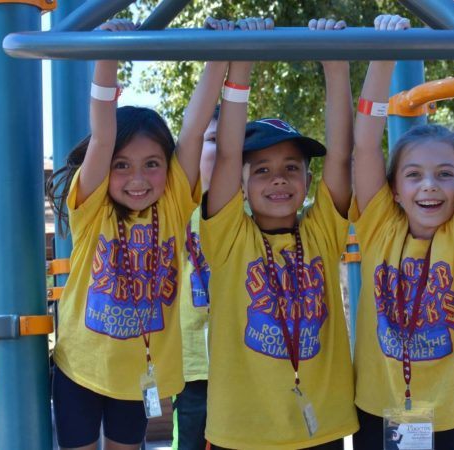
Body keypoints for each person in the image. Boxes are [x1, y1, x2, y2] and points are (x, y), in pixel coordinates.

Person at [46, 18, 230, 450]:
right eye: (122, 165)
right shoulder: (91, 209)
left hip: (139, 375)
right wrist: (108, 56)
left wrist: (219, 52)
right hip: (80, 370)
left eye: (152, 163)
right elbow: (105, 132)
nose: (138, 178)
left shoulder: (172, 205)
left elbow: (194, 125)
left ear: (168, 169)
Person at [200, 16, 358, 450]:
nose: (279, 180)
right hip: (243, 431)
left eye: (292, 169)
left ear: (307, 182)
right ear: (244, 186)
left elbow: (341, 157)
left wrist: (335, 65)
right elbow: (229, 152)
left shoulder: (321, 232)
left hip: (319, 426)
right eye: (263, 171)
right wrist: (243, 63)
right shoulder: (230, 236)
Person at [350, 14, 454, 450]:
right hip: (379, 410)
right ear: (395, 189)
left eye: (444, 174)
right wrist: (382, 59)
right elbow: (365, 145)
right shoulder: (379, 225)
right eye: (414, 175)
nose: (430, 185)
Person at [171, 105, 219, 450]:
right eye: (211, 140)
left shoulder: (252, 213)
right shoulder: (175, 213)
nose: (222, 150)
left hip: (242, 364)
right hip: (190, 370)